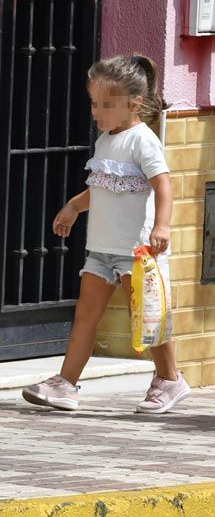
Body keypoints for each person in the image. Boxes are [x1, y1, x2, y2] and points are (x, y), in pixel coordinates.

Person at [22, 55, 191, 414]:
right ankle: (66, 384)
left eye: (106, 104)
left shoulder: (142, 141)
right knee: (86, 314)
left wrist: (162, 227)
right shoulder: (105, 141)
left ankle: (170, 378)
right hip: (100, 249)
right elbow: (102, 187)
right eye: (94, 102)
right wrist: (73, 206)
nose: (97, 111)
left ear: (133, 104)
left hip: (138, 250)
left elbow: (163, 186)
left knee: (147, 318)